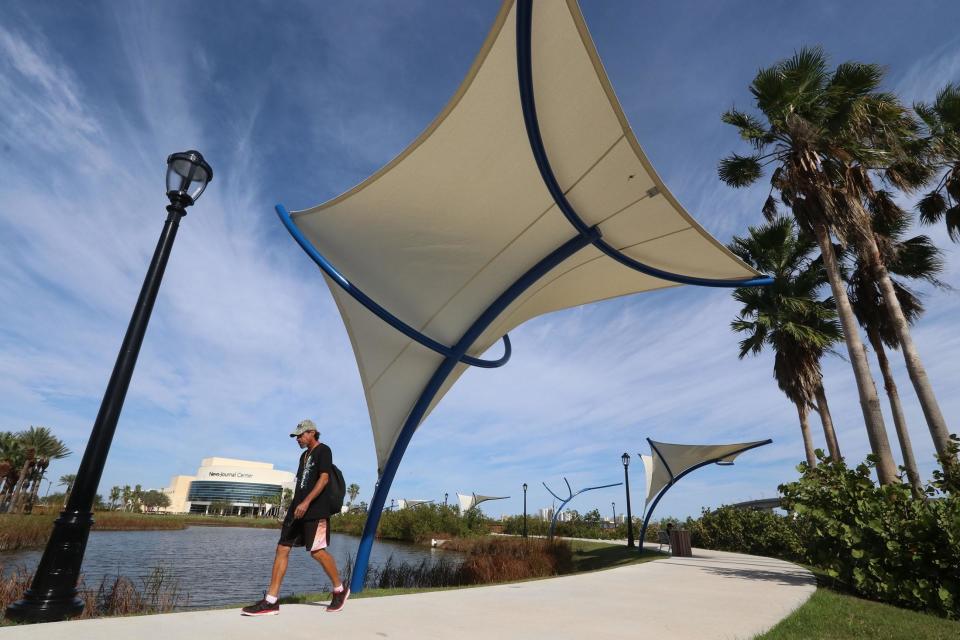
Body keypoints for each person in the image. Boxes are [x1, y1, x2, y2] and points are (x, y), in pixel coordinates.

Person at [242, 419, 348, 615]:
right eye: (296, 436)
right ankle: (271, 601)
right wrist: (291, 511)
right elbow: (301, 484)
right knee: (282, 548)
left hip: (315, 511)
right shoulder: (303, 456)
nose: (297, 439)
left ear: (312, 433)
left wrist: (306, 502)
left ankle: (339, 590)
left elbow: (324, 479)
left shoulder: (324, 450)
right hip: (297, 510)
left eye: (300, 435)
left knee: (317, 552)